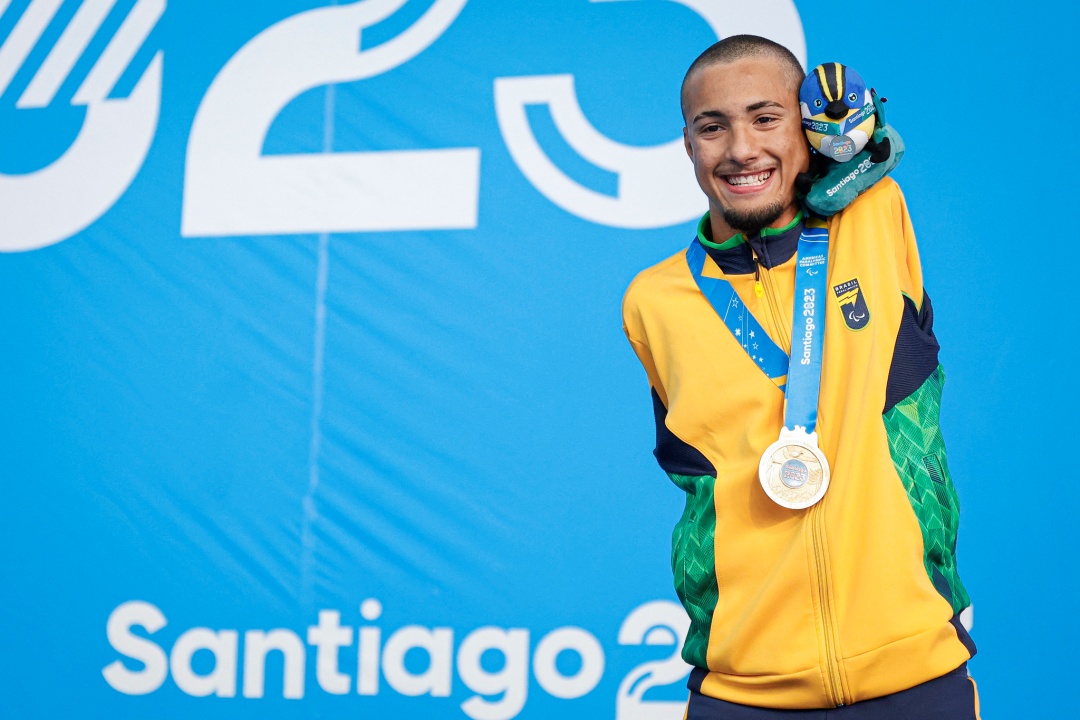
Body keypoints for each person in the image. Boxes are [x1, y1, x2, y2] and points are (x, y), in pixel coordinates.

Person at [621, 35, 979, 718]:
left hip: (913, 669)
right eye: (712, 126)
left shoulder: (872, 220)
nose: (741, 149)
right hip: (742, 686)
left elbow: (877, 154)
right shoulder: (653, 302)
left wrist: (845, 116)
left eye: (766, 117)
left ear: (805, 126)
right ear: (688, 145)